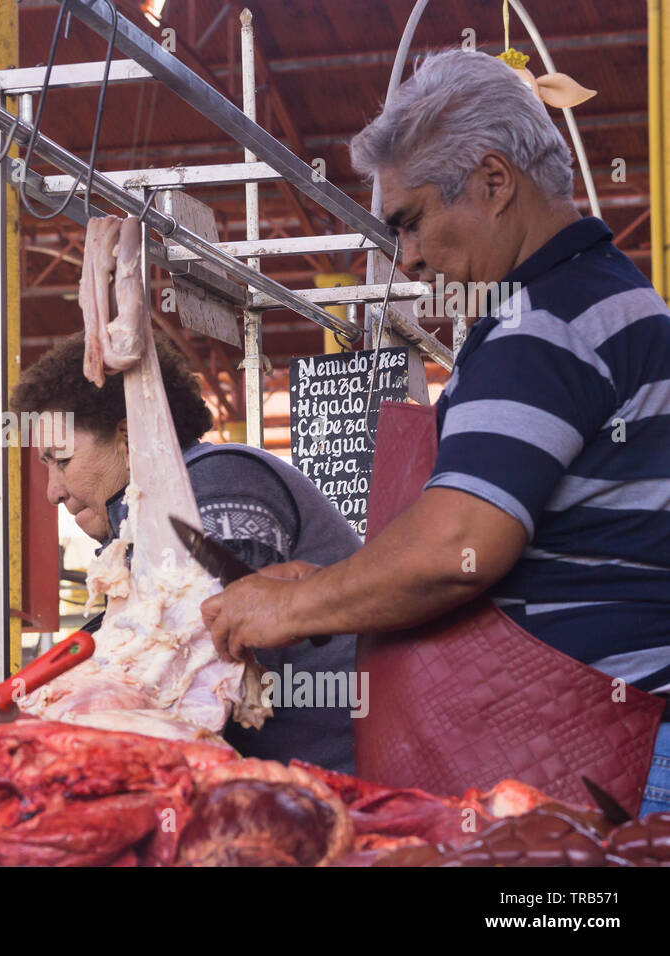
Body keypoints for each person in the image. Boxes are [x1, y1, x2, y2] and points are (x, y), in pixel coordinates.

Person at [200, 49, 670, 815]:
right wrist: (324, 587)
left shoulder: (544, 324)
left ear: (493, 182)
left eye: (411, 221)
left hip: (607, 767)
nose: (408, 257)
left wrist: (295, 609)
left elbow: (461, 547)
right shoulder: (603, 302)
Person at [12, 331, 362, 772]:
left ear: (126, 437)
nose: (53, 492)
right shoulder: (147, 524)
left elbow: (188, 663)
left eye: (61, 461)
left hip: (344, 783)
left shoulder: (219, 480)